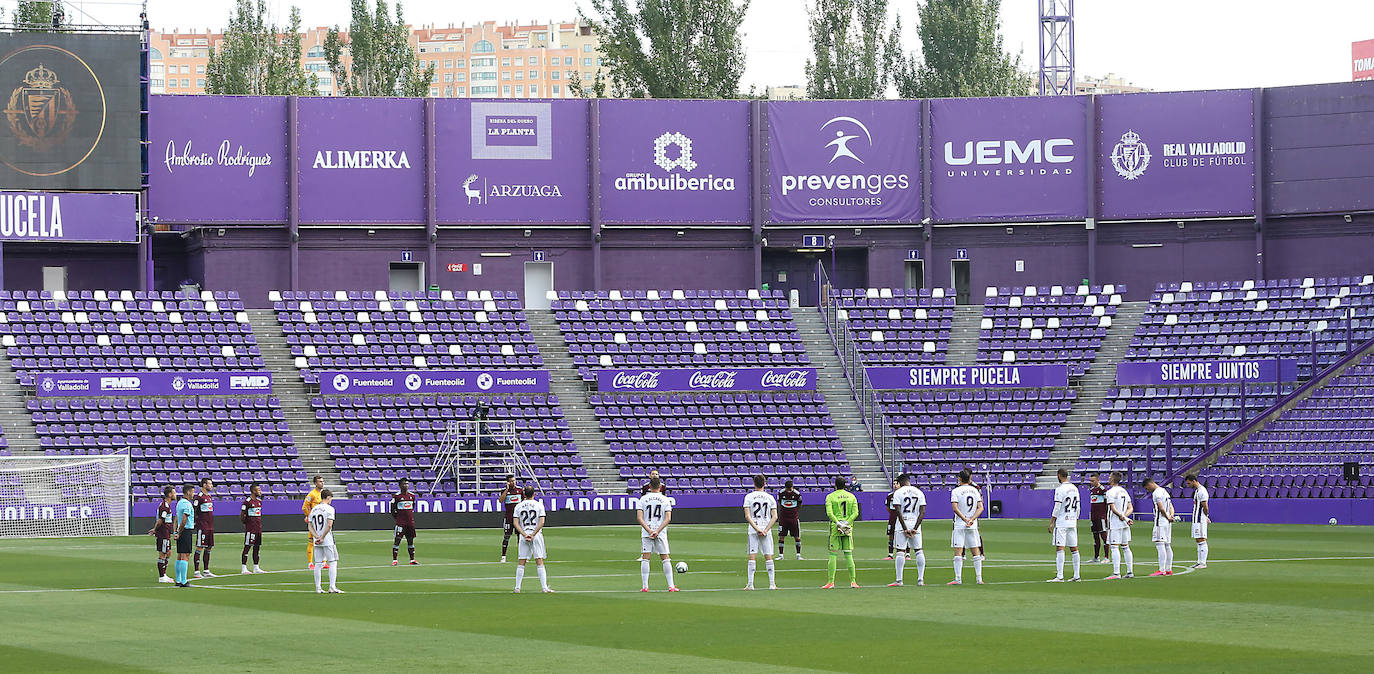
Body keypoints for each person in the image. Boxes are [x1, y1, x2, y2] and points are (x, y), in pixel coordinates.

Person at [637, 477, 678, 592]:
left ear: (649, 486)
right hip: (661, 533)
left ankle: (645, 587)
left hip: (647, 532)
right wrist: (657, 531)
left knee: (646, 558)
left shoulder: (643, 499)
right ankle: (671, 586)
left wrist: (649, 530)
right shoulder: (665, 500)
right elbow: (668, 518)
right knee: (665, 558)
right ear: (660, 487)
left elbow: (639, 518)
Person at [887, 473, 926, 587]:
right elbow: (922, 512)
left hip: (902, 525)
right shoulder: (919, 492)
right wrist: (915, 528)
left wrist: (905, 528)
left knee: (900, 551)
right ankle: (920, 579)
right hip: (915, 523)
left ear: (899, 483)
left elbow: (898, 511)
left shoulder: (898, 493)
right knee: (919, 551)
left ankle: (899, 580)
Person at [512, 486, 553, 593]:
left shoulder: (518, 506)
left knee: (521, 561)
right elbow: (542, 522)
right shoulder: (539, 505)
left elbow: (515, 523)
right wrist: (533, 534)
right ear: (534, 493)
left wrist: (525, 534)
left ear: (524, 494)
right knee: (539, 560)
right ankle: (544, 587)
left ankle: (517, 587)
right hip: (536, 535)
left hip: (524, 534)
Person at [822, 476, 859, 589]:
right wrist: (846, 523)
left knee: (833, 554)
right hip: (847, 529)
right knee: (848, 555)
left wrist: (838, 523)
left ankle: (831, 582)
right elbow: (856, 513)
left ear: (835, 485)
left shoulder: (830, 497)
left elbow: (829, 513)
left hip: (835, 528)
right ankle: (853, 582)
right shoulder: (851, 496)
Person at [742, 474, 778, 591]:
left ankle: (750, 584)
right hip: (766, 529)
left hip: (753, 530)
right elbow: (775, 516)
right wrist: (766, 529)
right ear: (764, 483)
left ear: (754, 483)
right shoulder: (770, 497)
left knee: (752, 556)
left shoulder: (749, 497)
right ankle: (772, 584)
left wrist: (757, 529)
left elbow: (747, 516)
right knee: (769, 556)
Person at [949, 469, 984, 585]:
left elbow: (955, 508)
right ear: (969, 479)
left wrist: (964, 519)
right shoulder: (975, 490)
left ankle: (958, 578)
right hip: (972, 524)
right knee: (976, 552)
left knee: (958, 552)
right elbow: (981, 507)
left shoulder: (956, 491)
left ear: (959, 478)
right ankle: (979, 578)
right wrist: (972, 519)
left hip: (960, 524)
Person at [1047, 468, 1081, 582]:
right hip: (1072, 521)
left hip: (1062, 521)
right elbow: (1079, 507)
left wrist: (1051, 522)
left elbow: (1057, 507)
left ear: (1059, 475)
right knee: (1074, 548)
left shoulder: (1060, 489)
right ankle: (1077, 575)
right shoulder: (1075, 488)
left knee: (1060, 548)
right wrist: (1076, 519)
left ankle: (1060, 576)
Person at [308, 489, 342, 594]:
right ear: (328, 498)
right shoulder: (330, 509)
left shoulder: (314, 509)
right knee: (333, 562)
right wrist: (322, 537)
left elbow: (310, 525)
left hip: (316, 540)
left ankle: (318, 588)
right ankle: (332, 587)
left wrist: (316, 536)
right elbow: (329, 525)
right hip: (327, 540)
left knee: (318, 563)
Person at [1104, 471, 1135, 580]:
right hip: (1124, 523)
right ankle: (1130, 571)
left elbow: (1113, 508)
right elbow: (1130, 508)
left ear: (1112, 479)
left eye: (1109, 476)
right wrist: (1125, 518)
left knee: (1114, 547)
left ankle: (1116, 573)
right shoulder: (1124, 491)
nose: (1108, 478)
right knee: (1126, 547)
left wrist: (1122, 517)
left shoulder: (1110, 492)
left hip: (1115, 523)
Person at [1145, 477, 1177, 577]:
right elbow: (1171, 506)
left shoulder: (1156, 493)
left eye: (1147, 488)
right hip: (1167, 522)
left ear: (1150, 484)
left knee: (1160, 544)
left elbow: (1161, 507)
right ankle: (1168, 569)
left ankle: (1161, 569)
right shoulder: (1164, 491)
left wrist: (1167, 517)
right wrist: (1171, 515)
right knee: (1167, 545)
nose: (1147, 490)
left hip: (1161, 521)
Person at [148, 485, 176, 583]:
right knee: (163, 554)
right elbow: (160, 520)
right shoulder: (164, 506)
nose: (175, 494)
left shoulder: (167, 505)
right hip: (163, 533)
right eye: (174, 492)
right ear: (169, 494)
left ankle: (164, 574)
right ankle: (161, 577)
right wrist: (155, 529)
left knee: (168, 553)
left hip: (166, 533)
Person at [171, 484, 196, 588]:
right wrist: (180, 532)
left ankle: (178, 579)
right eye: (193, 492)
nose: (193, 494)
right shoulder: (187, 504)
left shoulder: (179, 503)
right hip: (185, 531)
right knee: (185, 555)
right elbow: (184, 519)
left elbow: (176, 518)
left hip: (181, 531)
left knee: (180, 555)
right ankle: (184, 581)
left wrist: (175, 531)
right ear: (188, 492)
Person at [391, 478, 419, 566]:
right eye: (404, 484)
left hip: (410, 523)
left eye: (407, 484)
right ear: (400, 485)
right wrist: (399, 519)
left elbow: (413, 507)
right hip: (400, 523)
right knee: (397, 541)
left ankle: (412, 559)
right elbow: (392, 510)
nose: (406, 485)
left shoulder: (412, 496)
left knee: (410, 541)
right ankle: (395, 560)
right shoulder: (396, 497)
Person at [1185, 473, 1211, 569]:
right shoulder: (1197, 491)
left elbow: (1205, 506)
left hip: (1200, 519)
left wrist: (1205, 516)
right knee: (1198, 539)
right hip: (1196, 519)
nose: (1188, 485)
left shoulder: (1202, 491)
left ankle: (1203, 563)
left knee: (1201, 539)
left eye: (1189, 483)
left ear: (1193, 481)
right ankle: (1199, 562)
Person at [193, 477, 216, 578]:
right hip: (202, 526)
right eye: (210, 484)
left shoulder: (209, 496)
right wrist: (195, 522)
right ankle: (197, 571)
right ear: (204, 485)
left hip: (210, 526)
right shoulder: (199, 497)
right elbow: (194, 510)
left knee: (209, 547)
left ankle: (206, 570)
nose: (211, 486)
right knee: (200, 547)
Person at [240, 484, 265, 575]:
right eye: (258, 490)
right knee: (247, 546)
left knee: (257, 547)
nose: (260, 492)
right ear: (253, 491)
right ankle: (244, 567)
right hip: (251, 529)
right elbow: (242, 515)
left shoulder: (259, 502)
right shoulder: (247, 502)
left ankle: (256, 567)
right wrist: (247, 523)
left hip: (258, 528)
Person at [776, 479, 803, 560]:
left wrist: (794, 511)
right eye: (788, 489)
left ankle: (798, 555)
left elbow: (799, 504)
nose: (789, 491)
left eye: (790, 489)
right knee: (781, 536)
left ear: (792, 487)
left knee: (797, 537)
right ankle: (781, 555)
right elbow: (780, 503)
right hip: (783, 518)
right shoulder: (781, 493)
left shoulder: (797, 494)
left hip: (793, 519)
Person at [302, 475, 325, 570]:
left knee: (324, 540)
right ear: (315, 483)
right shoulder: (312, 494)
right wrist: (309, 516)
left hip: (322, 522)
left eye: (322, 481)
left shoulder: (323, 494)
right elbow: (304, 507)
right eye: (320, 481)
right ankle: (310, 563)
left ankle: (324, 562)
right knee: (312, 542)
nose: (322, 483)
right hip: (315, 522)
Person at [499, 474, 521, 562]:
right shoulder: (504, 491)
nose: (513, 482)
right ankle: (503, 556)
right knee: (506, 536)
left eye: (514, 480)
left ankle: (521, 555)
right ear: (508, 482)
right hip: (508, 517)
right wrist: (507, 489)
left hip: (518, 518)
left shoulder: (519, 490)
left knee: (520, 537)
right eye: (511, 481)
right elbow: (500, 500)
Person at [1088, 474, 1109, 563]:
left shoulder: (1103, 490)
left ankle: (1106, 557)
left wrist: (1106, 516)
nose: (1091, 483)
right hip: (1094, 517)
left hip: (1101, 517)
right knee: (1095, 537)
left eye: (1093, 481)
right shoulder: (1092, 490)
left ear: (1098, 480)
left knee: (1104, 536)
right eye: (1090, 481)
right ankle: (1096, 557)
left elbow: (1107, 503)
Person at [884, 480, 899, 560]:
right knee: (891, 535)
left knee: (903, 534)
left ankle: (907, 554)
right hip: (892, 518)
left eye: (896, 484)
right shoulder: (890, 496)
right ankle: (890, 554)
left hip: (900, 519)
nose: (895, 485)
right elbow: (888, 508)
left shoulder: (902, 495)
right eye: (894, 484)